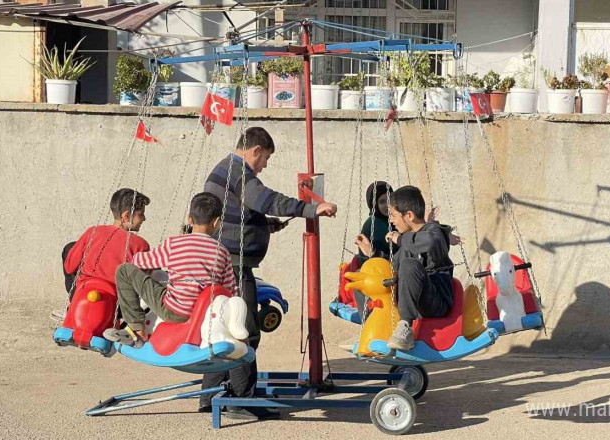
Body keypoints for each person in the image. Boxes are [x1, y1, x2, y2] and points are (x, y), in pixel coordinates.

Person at [199, 127, 338, 420]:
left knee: (221, 327)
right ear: (256, 151)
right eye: (265, 159)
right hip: (235, 265)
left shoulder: (225, 169)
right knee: (244, 330)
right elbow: (264, 199)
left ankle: (210, 394)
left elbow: (242, 211)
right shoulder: (239, 172)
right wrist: (311, 208)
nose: (264, 166)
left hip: (223, 261)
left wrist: (265, 225)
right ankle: (242, 400)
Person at [105, 192, 236, 346]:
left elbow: (141, 262)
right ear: (216, 222)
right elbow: (230, 290)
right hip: (203, 313)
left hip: (173, 311)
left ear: (189, 218)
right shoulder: (222, 252)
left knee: (124, 271)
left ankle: (137, 330)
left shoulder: (175, 244)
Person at [57, 188, 151, 320]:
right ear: (126, 216)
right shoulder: (141, 245)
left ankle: (72, 306)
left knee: (69, 249)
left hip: (83, 295)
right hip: (116, 307)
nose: (144, 219)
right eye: (141, 215)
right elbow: (142, 284)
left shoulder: (93, 232)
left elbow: (69, 267)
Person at [383, 186, 456, 351]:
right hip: (415, 302)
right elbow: (393, 266)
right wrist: (371, 256)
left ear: (409, 215)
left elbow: (430, 242)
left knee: (410, 264)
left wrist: (400, 239)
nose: (392, 221)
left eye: (394, 216)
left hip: (437, 302)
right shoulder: (408, 241)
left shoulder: (434, 233)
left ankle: (405, 327)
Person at [352, 181, 397, 319]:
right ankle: (369, 319)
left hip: (396, 269)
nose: (387, 206)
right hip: (377, 271)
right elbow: (369, 260)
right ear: (374, 204)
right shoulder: (372, 225)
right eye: (382, 201)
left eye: (390, 200)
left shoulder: (398, 221)